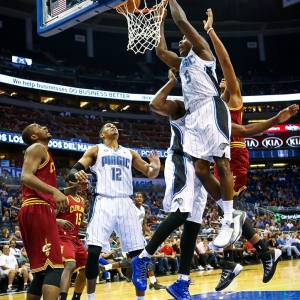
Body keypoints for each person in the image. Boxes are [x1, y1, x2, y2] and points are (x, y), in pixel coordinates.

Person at [132, 69, 298, 298]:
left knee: (193, 225)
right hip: (182, 160)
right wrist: (171, 81)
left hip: (201, 168)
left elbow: (243, 130)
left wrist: (275, 120)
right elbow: (155, 104)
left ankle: (183, 281)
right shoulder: (183, 105)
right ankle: (142, 259)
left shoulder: (213, 111)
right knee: (182, 213)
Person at [156, 0, 237, 251]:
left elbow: (181, 21)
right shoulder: (182, 65)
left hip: (211, 108)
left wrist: (169, 2)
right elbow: (160, 52)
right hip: (194, 116)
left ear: (192, 40)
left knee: (221, 163)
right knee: (202, 169)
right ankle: (228, 213)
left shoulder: (202, 52)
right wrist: (158, 20)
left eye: (182, 39)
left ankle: (229, 219)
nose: (179, 42)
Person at [66, 123, 161, 300]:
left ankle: (141, 298)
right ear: (102, 134)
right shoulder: (96, 150)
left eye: (114, 126)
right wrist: (75, 175)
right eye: (108, 126)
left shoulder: (129, 153)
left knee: (137, 255)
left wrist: (155, 168)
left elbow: (150, 172)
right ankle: (90, 298)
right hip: (103, 200)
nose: (113, 127)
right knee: (93, 252)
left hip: (126, 202)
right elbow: (74, 171)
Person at [19, 123, 88, 300]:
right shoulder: (38, 147)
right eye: (38, 126)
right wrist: (54, 191)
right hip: (38, 209)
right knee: (55, 266)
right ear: (34, 136)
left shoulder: (45, 154)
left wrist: (74, 189)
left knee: (42, 270)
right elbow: (25, 177)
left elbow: (48, 192)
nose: (44, 127)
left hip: (34, 208)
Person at [99, 192, 166, 290]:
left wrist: (149, 232)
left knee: (144, 261)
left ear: (143, 199)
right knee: (133, 263)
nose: (139, 198)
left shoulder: (143, 209)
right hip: (128, 239)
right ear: (133, 199)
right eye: (136, 197)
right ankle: (105, 268)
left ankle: (153, 282)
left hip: (139, 239)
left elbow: (143, 224)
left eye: (140, 197)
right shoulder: (130, 209)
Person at [56, 178, 88, 300]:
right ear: (67, 183)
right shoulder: (63, 198)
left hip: (76, 237)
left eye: (77, 181)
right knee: (70, 265)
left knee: (86, 270)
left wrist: (91, 223)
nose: (76, 183)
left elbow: (79, 221)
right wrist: (59, 221)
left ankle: (76, 297)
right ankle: (62, 297)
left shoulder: (82, 200)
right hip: (63, 236)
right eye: (73, 181)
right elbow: (49, 217)